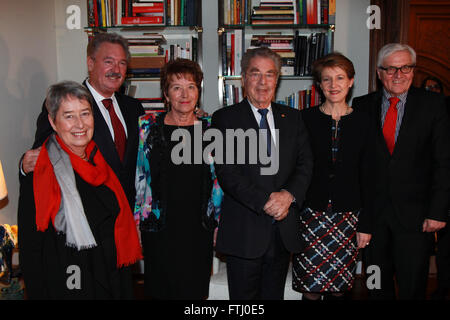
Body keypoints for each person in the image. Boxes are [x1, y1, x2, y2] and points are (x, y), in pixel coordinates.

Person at [18, 81, 142, 299]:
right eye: (68, 116)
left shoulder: (101, 162)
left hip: (112, 279)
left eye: (85, 113)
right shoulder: (42, 172)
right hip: (71, 286)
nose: (79, 124)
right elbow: (31, 251)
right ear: (53, 122)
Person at [211, 47, 313, 300]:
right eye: (255, 74)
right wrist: (267, 202)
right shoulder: (225, 119)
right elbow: (228, 172)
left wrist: (288, 196)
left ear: (277, 79)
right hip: (244, 231)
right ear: (244, 78)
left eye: (269, 74)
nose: (263, 81)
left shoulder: (293, 118)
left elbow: (305, 164)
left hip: (282, 230)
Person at [352, 43, 450, 299]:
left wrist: (438, 211)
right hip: (374, 217)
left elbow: (444, 161)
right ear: (379, 72)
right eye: (391, 69)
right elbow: (358, 164)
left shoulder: (434, 105)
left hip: (417, 219)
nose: (398, 75)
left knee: (413, 288)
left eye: (405, 67)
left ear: (413, 70)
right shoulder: (361, 106)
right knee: (375, 287)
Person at [20, 32, 145, 208]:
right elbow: (39, 158)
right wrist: (23, 167)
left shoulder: (134, 108)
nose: (116, 70)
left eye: (122, 63)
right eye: (108, 62)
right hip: (88, 216)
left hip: (129, 217)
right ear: (90, 63)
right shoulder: (65, 105)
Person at [134, 58, 222, 300]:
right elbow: (140, 176)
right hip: (159, 227)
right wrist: (136, 220)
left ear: (198, 91)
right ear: (166, 93)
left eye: (191, 86)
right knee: (160, 289)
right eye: (176, 87)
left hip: (198, 228)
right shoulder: (147, 126)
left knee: (194, 290)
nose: (185, 94)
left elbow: (218, 182)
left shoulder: (211, 128)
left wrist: (218, 221)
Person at [292, 53, 374, 300]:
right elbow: (294, 167)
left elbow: (371, 177)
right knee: (311, 290)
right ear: (319, 85)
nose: (333, 85)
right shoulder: (304, 119)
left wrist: (366, 225)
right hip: (309, 217)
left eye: (340, 78)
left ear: (350, 81)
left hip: (349, 218)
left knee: (339, 290)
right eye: (326, 79)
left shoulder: (366, 121)